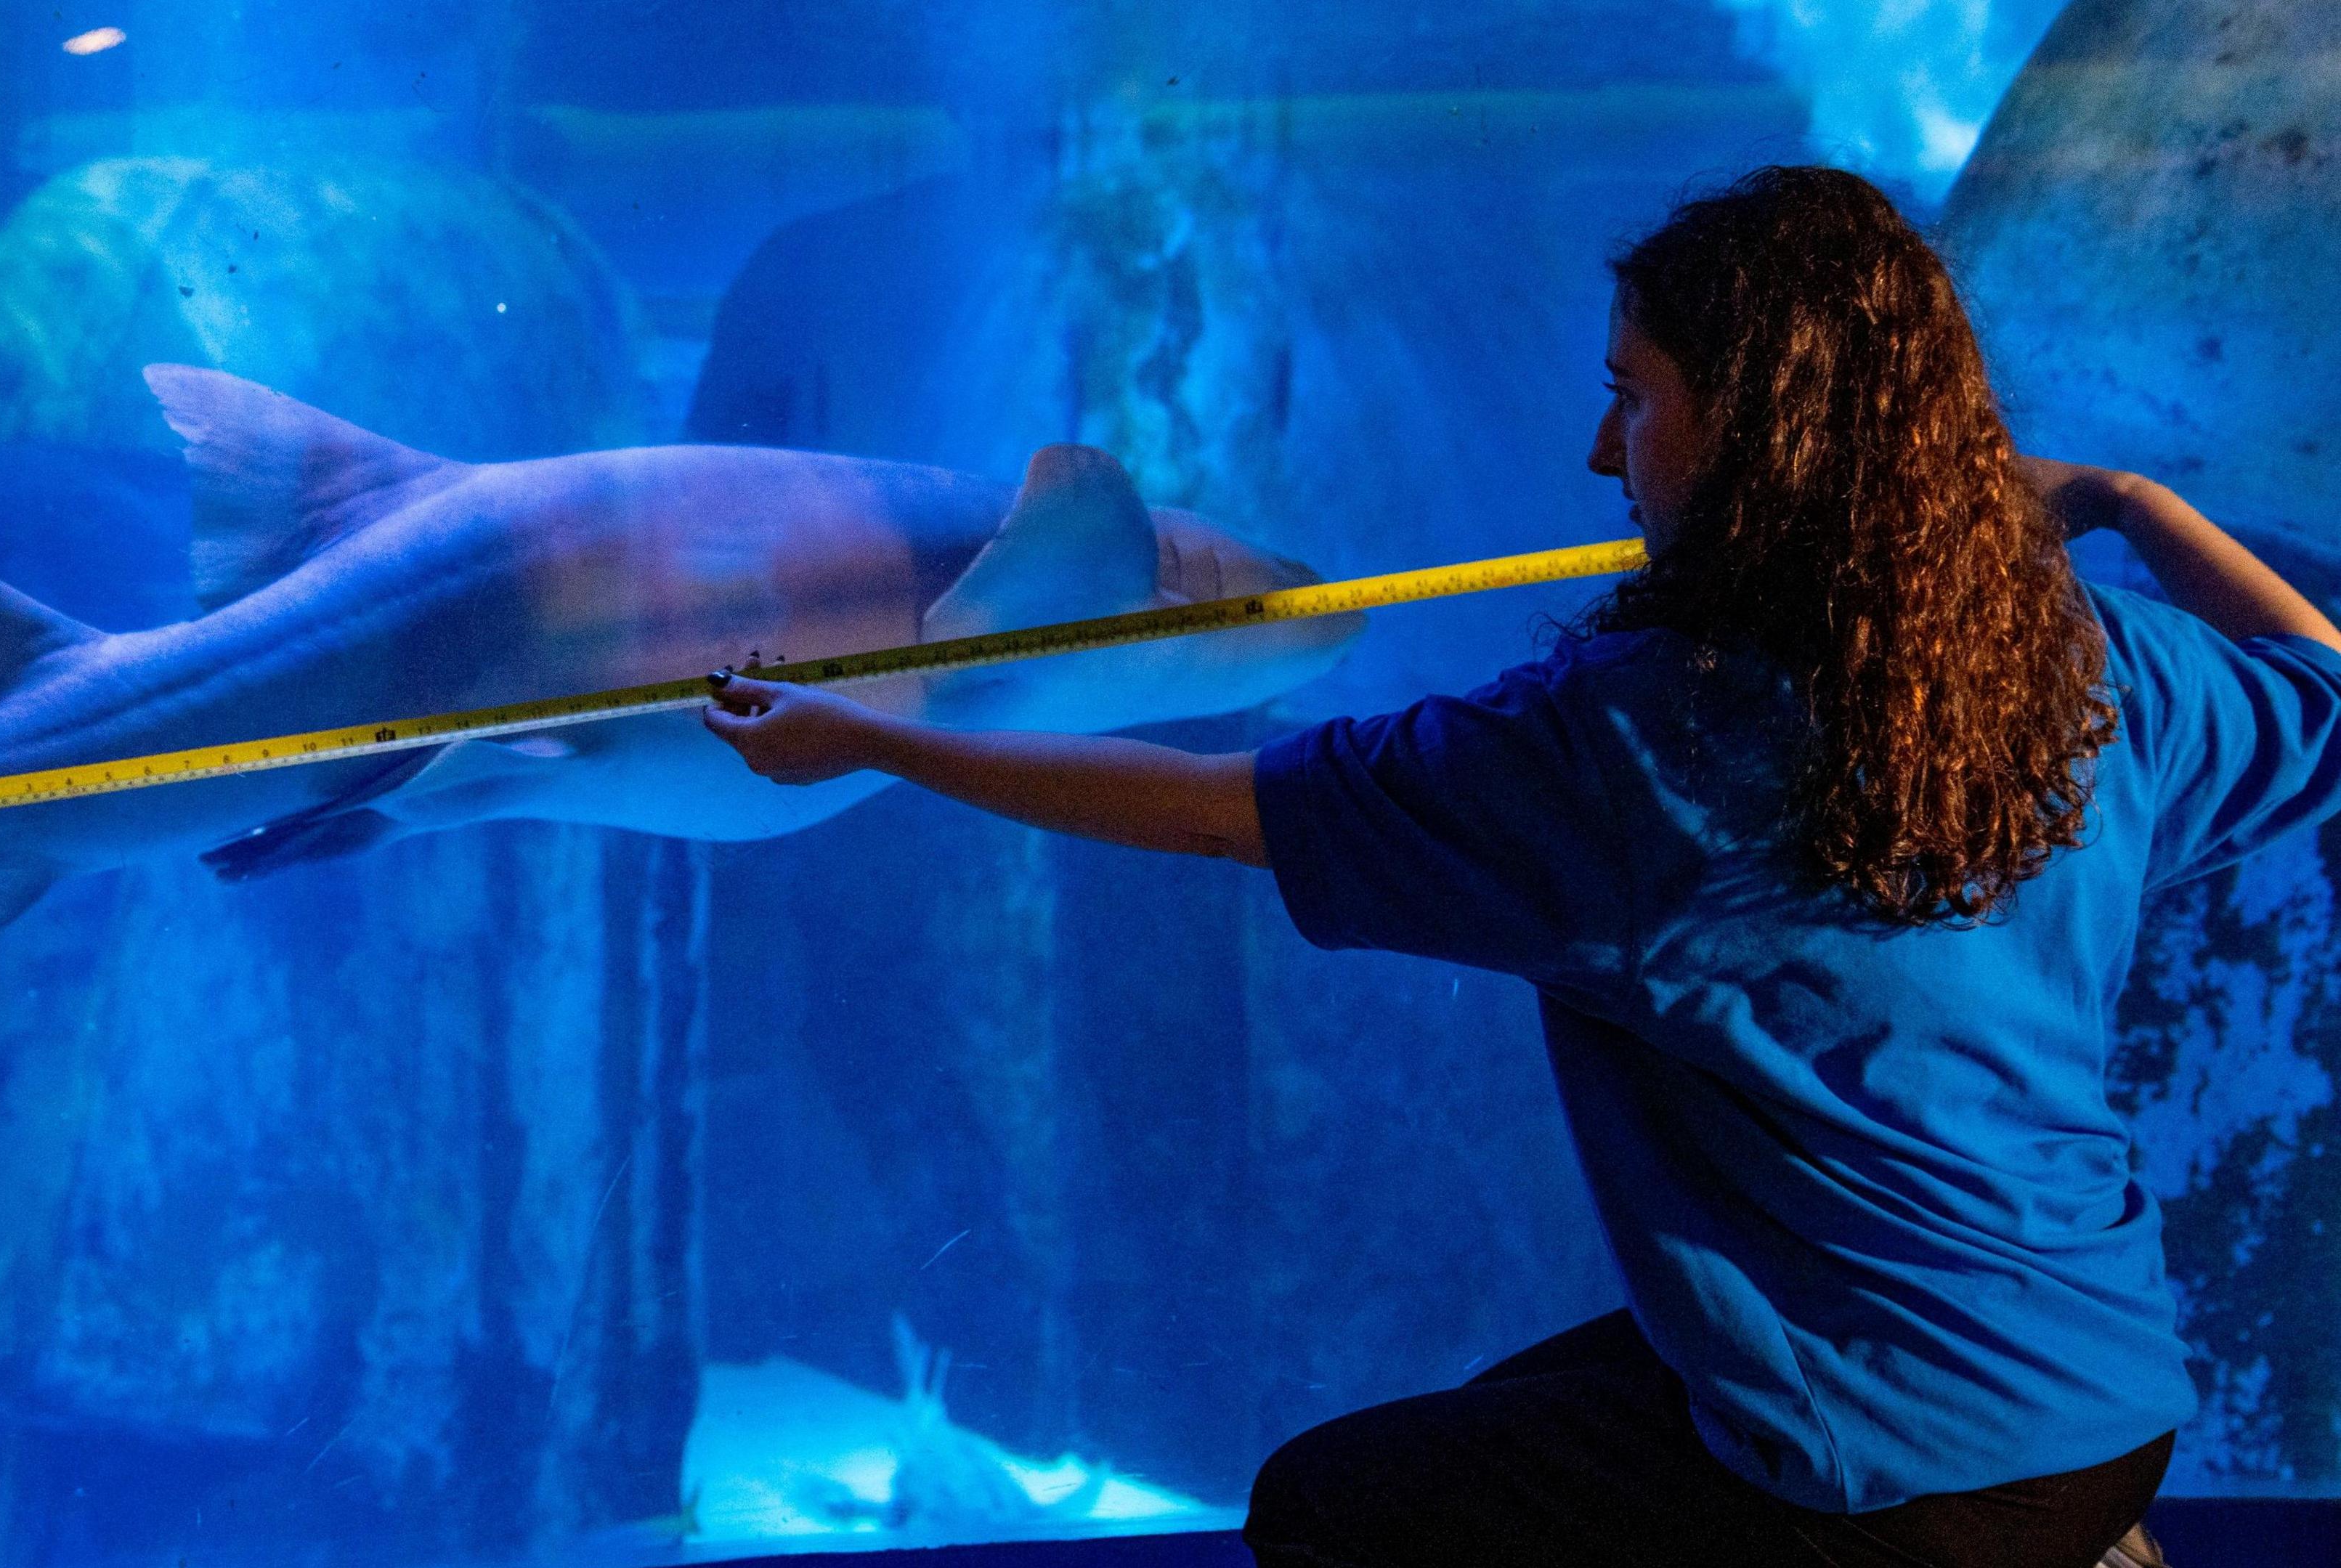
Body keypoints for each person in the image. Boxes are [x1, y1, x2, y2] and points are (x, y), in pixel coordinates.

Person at [697, 166, 2341, 1568]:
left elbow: (1199, 807)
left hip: (1895, 1478)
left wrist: (880, 738)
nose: (1598, 452)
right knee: (1516, 1420)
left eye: (1632, 393)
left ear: (1756, 423)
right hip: (2107, 1414)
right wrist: (2127, 501)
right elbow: (2328, 680)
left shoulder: (1624, 755)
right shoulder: (2093, 667)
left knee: (1331, 1506)